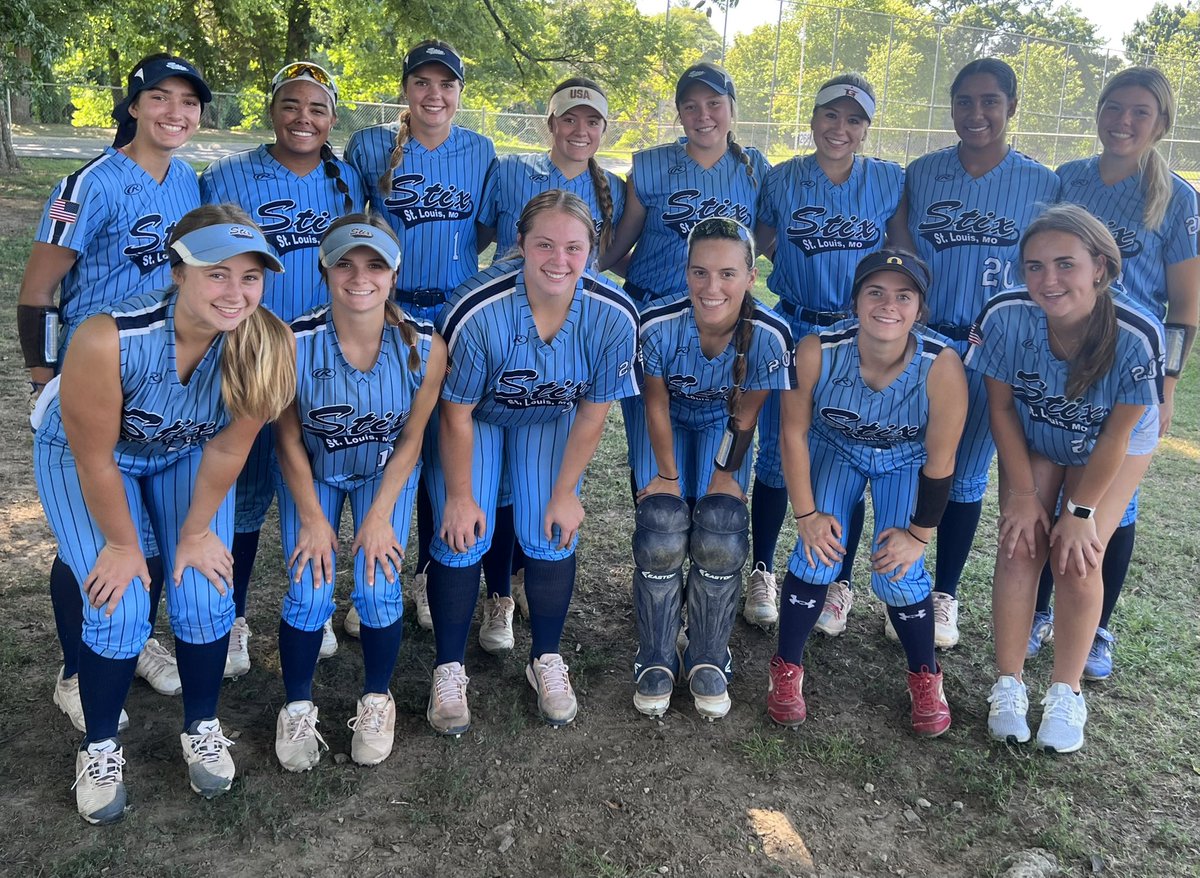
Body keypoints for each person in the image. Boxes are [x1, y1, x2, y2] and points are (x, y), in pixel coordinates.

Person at [32, 205, 295, 823]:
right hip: (86, 455)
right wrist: (125, 548)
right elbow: (96, 460)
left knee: (205, 590)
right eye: (216, 274)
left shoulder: (263, 340)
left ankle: (201, 724)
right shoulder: (108, 336)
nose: (236, 292)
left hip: (182, 451)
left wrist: (197, 532)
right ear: (178, 271)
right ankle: (97, 746)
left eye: (250, 277)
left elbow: (230, 445)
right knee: (120, 600)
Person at [18, 53, 212, 717]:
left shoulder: (189, 181)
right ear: (133, 106)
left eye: (187, 103)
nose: (174, 114)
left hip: (159, 384)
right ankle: (76, 670)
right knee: (92, 540)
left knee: (148, 536)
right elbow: (39, 290)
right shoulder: (90, 182)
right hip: (95, 374)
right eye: (159, 98)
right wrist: (43, 380)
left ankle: (135, 638)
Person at [424, 190, 639, 734]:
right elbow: (454, 411)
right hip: (476, 419)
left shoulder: (612, 315)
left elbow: (594, 412)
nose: (559, 259)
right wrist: (458, 495)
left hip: (550, 418)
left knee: (551, 530)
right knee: (463, 534)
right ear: (519, 245)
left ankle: (546, 657)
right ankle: (448, 668)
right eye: (544, 244)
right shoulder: (478, 308)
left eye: (574, 246)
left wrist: (567, 493)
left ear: (593, 250)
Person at [967, 204, 1163, 753]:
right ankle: (1008, 683)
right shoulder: (1006, 316)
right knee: (1019, 543)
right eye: (1033, 267)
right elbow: (1002, 411)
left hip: (1108, 445)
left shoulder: (1136, 332)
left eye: (1064, 264)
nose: (1047, 280)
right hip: (1036, 432)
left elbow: (1117, 437)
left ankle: (1065, 690)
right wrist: (1026, 496)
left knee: (1080, 556)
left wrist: (1078, 515)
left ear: (1099, 266)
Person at [1029, 67, 1200, 678]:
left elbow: (1185, 305)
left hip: (1128, 360)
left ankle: (1097, 628)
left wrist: (1170, 385)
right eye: (1114, 108)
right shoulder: (1067, 179)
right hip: (1059, 353)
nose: (1124, 122)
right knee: (1049, 487)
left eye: (1140, 113)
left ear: (1161, 124)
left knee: (1104, 504)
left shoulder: (1176, 198)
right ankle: (1041, 609)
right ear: (1099, 112)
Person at [200, 61, 364, 674]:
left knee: (314, 481)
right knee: (242, 490)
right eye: (292, 104)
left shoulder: (346, 179)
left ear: (332, 118)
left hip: (324, 353)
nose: (304, 117)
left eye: (318, 108)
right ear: (273, 109)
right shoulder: (229, 175)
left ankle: (314, 607)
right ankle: (234, 616)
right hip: (249, 348)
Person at [891, 58, 1060, 648]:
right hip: (928, 341)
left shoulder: (1042, 183)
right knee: (906, 459)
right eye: (964, 101)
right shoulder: (923, 172)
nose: (977, 113)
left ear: (1012, 107)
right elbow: (901, 240)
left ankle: (945, 593)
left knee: (965, 473)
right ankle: (900, 578)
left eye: (990, 101)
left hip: (997, 345)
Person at [767, 250, 967, 737]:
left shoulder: (940, 365)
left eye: (904, 296)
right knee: (817, 554)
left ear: (920, 309)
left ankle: (925, 676)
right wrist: (807, 514)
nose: (888, 305)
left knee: (900, 571)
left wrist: (919, 535)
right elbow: (792, 434)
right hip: (837, 449)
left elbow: (942, 463)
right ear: (855, 301)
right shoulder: (818, 349)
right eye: (875, 292)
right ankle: (785, 669)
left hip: (904, 458)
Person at [599, 62, 771, 621]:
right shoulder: (651, 166)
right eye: (691, 105)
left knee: (716, 465)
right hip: (655, 322)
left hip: (726, 330)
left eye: (714, 103)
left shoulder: (753, 170)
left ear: (732, 109)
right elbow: (617, 245)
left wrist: (731, 288)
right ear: (678, 112)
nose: (703, 115)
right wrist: (644, 289)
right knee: (653, 458)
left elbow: (761, 240)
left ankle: (710, 581)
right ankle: (658, 572)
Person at [271, 216, 445, 770]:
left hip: (382, 471)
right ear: (324, 268)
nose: (359, 276)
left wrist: (380, 515)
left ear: (394, 274)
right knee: (309, 586)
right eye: (345, 262)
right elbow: (287, 435)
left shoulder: (423, 345)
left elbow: (413, 435)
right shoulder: (292, 341)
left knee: (377, 582)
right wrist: (312, 517)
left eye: (374, 265)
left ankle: (376, 698)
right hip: (313, 470)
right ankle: (297, 704)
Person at [345, 39, 497, 633]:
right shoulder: (372, 146)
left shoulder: (479, 149)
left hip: (455, 312)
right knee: (383, 440)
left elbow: (482, 227)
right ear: (405, 88)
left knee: (442, 442)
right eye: (422, 82)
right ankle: (371, 578)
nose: (435, 94)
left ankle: (430, 574)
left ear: (459, 92)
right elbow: (353, 218)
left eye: (447, 84)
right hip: (389, 312)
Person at [473, 76, 626, 655]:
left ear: (603, 130)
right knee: (493, 479)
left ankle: (521, 590)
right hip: (500, 323)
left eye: (592, 121)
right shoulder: (512, 171)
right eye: (569, 118)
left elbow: (611, 255)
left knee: (542, 478)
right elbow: (481, 234)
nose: (580, 130)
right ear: (551, 122)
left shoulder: (611, 186)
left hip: (567, 335)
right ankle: (497, 588)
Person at [751, 73, 905, 637]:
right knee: (773, 450)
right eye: (830, 115)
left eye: (854, 119)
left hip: (857, 335)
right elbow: (757, 244)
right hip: (793, 324)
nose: (840, 128)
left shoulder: (888, 181)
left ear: (866, 129)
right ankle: (763, 568)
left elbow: (902, 256)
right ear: (813, 119)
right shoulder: (783, 179)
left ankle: (837, 579)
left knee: (849, 450)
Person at [630, 217, 795, 720]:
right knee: (661, 528)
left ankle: (707, 653)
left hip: (723, 423)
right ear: (684, 273)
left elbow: (746, 413)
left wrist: (726, 472)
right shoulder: (657, 323)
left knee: (720, 529)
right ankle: (655, 653)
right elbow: (655, 405)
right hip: (665, 422)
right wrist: (668, 474)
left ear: (751, 276)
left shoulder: (769, 334)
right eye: (699, 273)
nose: (712, 287)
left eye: (727, 274)